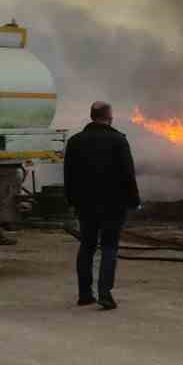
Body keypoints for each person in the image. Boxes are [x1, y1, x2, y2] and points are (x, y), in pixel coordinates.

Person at [63, 101, 140, 311]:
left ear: (91, 116)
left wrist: (71, 201)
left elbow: (68, 176)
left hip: (85, 205)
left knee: (87, 246)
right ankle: (105, 293)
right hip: (113, 205)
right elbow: (128, 174)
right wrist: (134, 200)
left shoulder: (75, 141)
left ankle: (84, 294)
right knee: (109, 247)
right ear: (109, 117)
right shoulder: (118, 140)